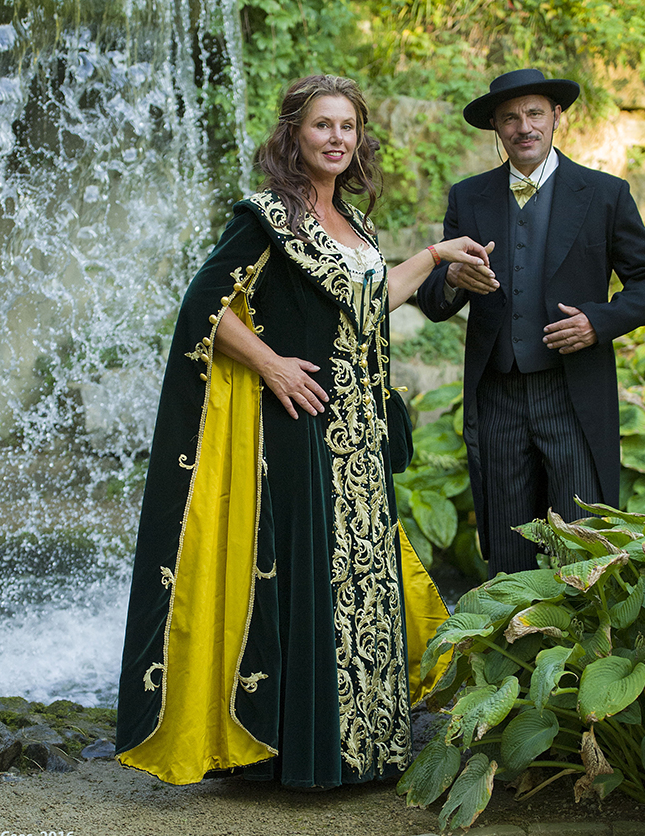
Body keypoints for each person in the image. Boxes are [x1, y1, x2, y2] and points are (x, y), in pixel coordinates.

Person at [115, 74, 491, 789]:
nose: (336, 138)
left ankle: (364, 751)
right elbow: (202, 307)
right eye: (322, 125)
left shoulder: (356, 226)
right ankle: (300, 756)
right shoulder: (266, 217)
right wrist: (270, 365)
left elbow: (372, 298)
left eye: (347, 126)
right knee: (310, 582)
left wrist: (437, 263)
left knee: (365, 586)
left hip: (360, 434)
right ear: (294, 133)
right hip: (300, 426)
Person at [417, 68, 645, 579]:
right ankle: (512, 632)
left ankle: (581, 634)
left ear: (557, 116)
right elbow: (433, 298)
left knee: (584, 546)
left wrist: (598, 321)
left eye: (535, 113)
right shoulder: (468, 197)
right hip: (496, 396)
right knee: (508, 550)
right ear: (495, 126)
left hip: (572, 393)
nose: (524, 127)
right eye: (510, 118)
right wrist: (453, 279)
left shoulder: (604, 193)